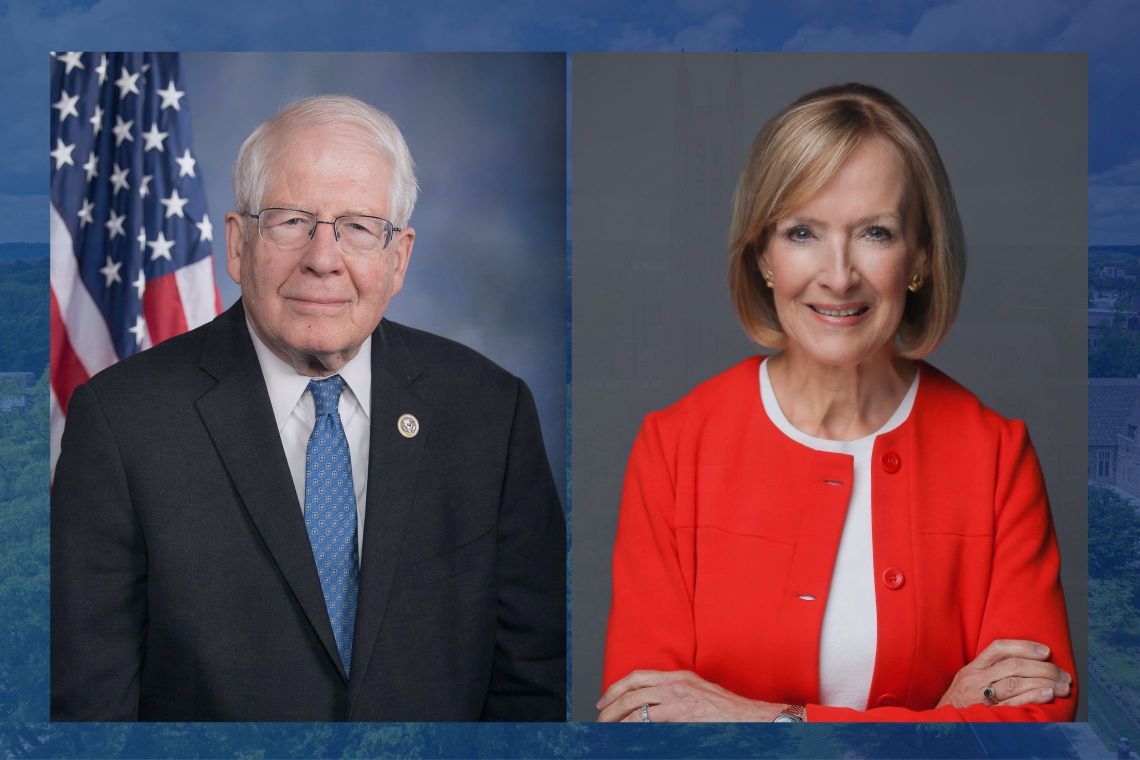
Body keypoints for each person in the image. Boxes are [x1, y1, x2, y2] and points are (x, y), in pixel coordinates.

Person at [51, 95, 566, 722]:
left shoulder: (491, 412)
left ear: (398, 257)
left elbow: (529, 687)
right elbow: (91, 709)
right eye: (292, 221)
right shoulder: (122, 421)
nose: (324, 258)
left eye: (357, 227)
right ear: (238, 244)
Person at [598, 83, 1076, 722]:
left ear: (922, 256)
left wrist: (762, 720)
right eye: (802, 232)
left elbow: (1032, 727)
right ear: (763, 254)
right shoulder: (675, 447)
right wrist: (942, 719)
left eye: (875, 233)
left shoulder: (995, 456)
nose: (839, 274)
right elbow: (640, 722)